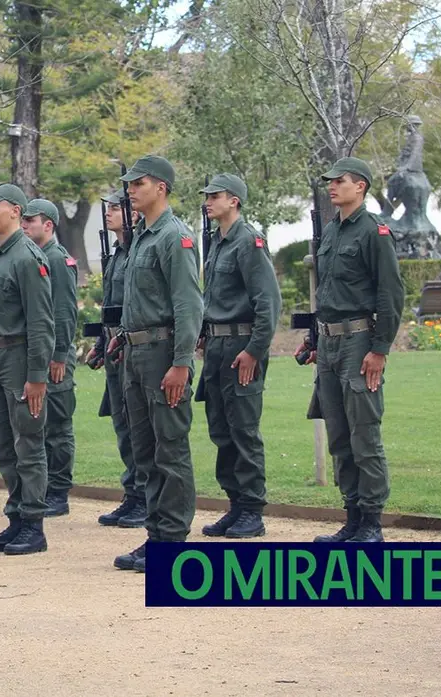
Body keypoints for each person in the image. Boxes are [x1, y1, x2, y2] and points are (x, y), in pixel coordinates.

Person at [298, 157, 404, 544]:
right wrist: (314, 339)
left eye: (338, 181)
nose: (331, 187)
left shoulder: (374, 232)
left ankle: (372, 523)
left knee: (364, 433)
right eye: (329, 182)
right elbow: (326, 293)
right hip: (329, 343)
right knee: (339, 434)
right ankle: (353, 516)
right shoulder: (331, 231)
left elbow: (391, 295)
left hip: (360, 342)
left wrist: (379, 349)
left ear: (360, 186)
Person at [110, 155, 203, 573]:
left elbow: (187, 305)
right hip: (136, 354)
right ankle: (157, 534)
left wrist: (182, 363)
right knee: (145, 451)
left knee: (171, 449)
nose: (130, 190)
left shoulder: (174, 237)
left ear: (161, 187)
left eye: (139, 183)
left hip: (164, 354)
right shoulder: (142, 238)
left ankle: (174, 541)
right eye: (129, 184)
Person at [0, 184, 54, 556]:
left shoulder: (26, 256)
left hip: (20, 358)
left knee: (28, 443)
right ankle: (17, 517)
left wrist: (37, 376)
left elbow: (41, 322)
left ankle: (33, 524)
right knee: (3, 444)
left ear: (16, 212)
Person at [196, 174, 281, 538]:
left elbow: (268, 302)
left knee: (244, 429)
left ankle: (252, 510)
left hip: (240, 347)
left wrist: (254, 351)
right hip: (217, 349)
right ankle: (235, 504)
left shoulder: (248, 241)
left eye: (215, 196)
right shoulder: (216, 242)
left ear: (234, 201)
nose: (208, 202)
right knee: (222, 430)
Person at [90, 192, 146, 528]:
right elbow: (110, 307)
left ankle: (144, 496)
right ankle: (133, 493)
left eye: (115, 207)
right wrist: (100, 342)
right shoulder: (117, 255)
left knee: (139, 426)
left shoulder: (139, 250)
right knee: (123, 424)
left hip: (132, 346)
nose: (108, 213)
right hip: (114, 347)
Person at [20, 199, 79, 518]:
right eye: (24, 220)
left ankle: (58, 490)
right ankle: (43, 488)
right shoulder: (34, 257)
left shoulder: (57, 259)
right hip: (37, 353)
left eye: (32, 220)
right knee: (38, 423)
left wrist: (58, 355)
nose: (26, 225)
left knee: (57, 424)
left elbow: (64, 312)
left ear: (49, 226)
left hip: (55, 355)